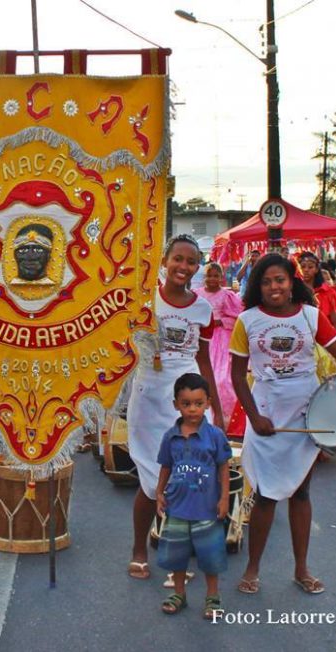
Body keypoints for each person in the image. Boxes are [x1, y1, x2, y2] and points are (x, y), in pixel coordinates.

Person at [230, 253, 336, 595]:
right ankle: (252, 569)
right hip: (266, 415)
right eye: (267, 281)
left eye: (280, 280)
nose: (274, 286)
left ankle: (301, 569)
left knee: (301, 492)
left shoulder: (311, 316)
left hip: (305, 413)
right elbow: (237, 377)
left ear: (292, 283)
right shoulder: (247, 321)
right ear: (259, 285)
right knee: (266, 495)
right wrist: (255, 417)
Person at [127, 234, 223, 583]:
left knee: (189, 479)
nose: (183, 266)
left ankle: (176, 559)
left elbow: (204, 360)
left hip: (190, 402)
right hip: (149, 396)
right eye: (177, 259)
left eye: (191, 261)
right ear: (164, 261)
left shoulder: (203, 310)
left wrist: (217, 410)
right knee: (151, 480)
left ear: (198, 267)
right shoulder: (142, 300)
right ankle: (139, 549)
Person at [155, 373, 231, 618]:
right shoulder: (170, 436)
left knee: (210, 556)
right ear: (176, 404)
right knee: (177, 555)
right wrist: (159, 492)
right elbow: (166, 466)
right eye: (186, 404)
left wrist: (224, 499)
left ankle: (212, 597)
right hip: (177, 507)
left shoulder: (216, 436)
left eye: (198, 403)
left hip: (206, 508)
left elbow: (223, 467)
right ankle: (179, 593)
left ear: (208, 402)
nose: (192, 409)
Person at [194, 262, 242, 419]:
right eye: (209, 275)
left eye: (216, 275)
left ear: (221, 278)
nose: (212, 279)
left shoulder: (227, 296)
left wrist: (220, 322)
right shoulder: (196, 294)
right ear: (204, 277)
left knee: (221, 379)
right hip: (200, 338)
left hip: (220, 340)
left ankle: (223, 416)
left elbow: (238, 319)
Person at [298, 251, 336, 331]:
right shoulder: (295, 291)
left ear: (317, 269)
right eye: (303, 267)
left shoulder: (328, 292)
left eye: (310, 267)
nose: (306, 270)